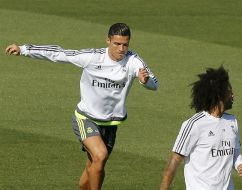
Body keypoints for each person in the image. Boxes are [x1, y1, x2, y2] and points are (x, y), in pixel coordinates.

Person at [5, 23, 158, 190]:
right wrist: (24, 49)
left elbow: (154, 84)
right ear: (108, 40)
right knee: (100, 156)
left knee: (94, 166)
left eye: (125, 44)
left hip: (110, 124)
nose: (121, 49)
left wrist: (145, 81)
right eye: (117, 44)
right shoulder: (92, 57)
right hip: (85, 118)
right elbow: (59, 53)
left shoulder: (133, 60)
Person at [160, 66, 242, 190]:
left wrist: (240, 164)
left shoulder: (232, 121)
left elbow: (235, 152)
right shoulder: (194, 124)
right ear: (219, 95)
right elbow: (174, 162)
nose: (233, 96)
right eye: (230, 92)